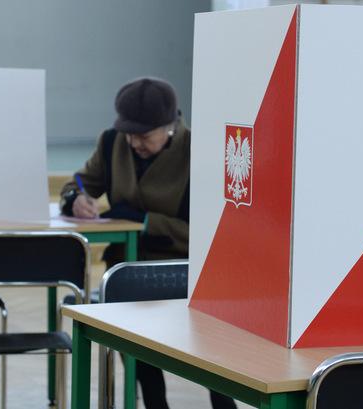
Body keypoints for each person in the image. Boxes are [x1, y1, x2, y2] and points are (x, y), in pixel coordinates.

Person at [60, 77, 236, 409]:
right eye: (129, 134)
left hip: (181, 272)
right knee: (134, 343)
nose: (134, 143)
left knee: (211, 354)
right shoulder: (112, 142)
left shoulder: (198, 151)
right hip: (126, 270)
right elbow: (79, 182)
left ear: (170, 127)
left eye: (144, 136)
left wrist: (145, 222)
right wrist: (76, 198)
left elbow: (209, 232)